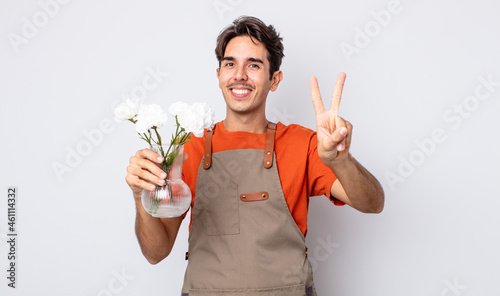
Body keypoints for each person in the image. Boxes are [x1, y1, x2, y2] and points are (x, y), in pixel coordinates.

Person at [125, 16, 384, 296]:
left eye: (254, 65)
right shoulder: (189, 149)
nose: (239, 75)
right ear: (219, 75)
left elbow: (373, 203)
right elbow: (156, 252)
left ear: (275, 80)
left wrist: (340, 161)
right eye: (230, 64)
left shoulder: (304, 144)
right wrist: (141, 196)